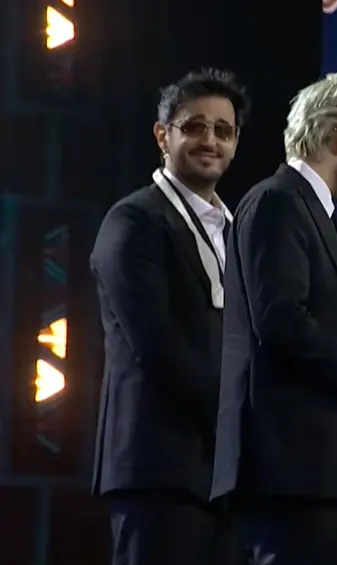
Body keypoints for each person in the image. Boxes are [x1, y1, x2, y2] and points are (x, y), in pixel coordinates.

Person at [211, 72, 337, 565]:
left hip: (315, 475)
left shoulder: (311, 212)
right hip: (291, 474)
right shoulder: (279, 202)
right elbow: (282, 323)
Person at [90, 68, 250, 565]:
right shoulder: (134, 220)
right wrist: (246, 416)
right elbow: (159, 348)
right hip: (158, 468)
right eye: (194, 126)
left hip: (223, 474)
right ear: (163, 135)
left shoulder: (235, 229)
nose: (210, 141)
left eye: (223, 130)